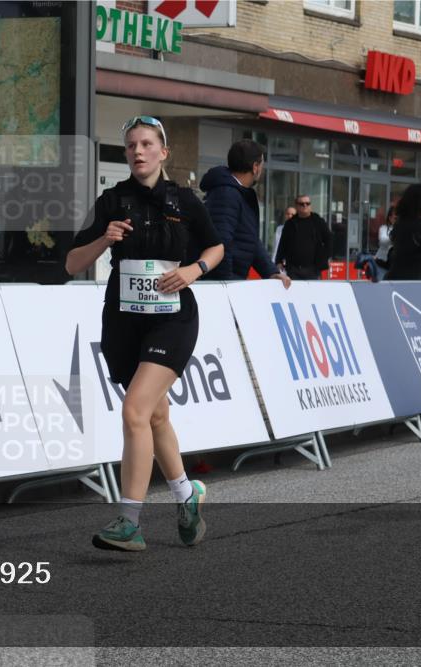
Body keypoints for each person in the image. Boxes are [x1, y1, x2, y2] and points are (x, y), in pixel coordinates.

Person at [65, 116, 224, 551]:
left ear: (163, 152)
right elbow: (72, 263)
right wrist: (104, 239)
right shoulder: (111, 201)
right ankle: (187, 496)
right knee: (155, 416)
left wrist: (194, 270)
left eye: (147, 144)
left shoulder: (184, 200)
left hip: (172, 319)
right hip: (124, 322)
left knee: (135, 411)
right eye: (131, 145)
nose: (138, 151)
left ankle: (129, 521)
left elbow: (216, 246)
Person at [199, 140, 290, 288]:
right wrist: (228, 284)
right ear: (255, 167)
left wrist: (271, 272)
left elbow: (250, 240)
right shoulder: (227, 193)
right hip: (224, 284)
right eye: (262, 164)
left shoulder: (239, 193)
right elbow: (221, 243)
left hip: (231, 281)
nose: (262, 169)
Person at [275, 194, 332, 280]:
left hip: (313, 269)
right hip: (293, 269)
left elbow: (329, 240)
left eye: (307, 203)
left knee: (313, 288)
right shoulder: (290, 224)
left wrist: (324, 258)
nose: (305, 206)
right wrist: (278, 261)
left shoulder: (318, 222)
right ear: (296, 206)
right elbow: (283, 243)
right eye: (302, 204)